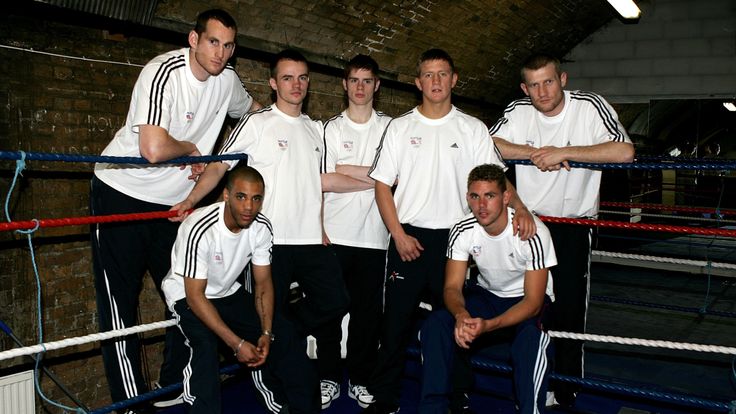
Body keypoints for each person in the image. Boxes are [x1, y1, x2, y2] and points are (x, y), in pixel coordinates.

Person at [90, 9, 261, 410]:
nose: (220, 53)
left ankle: (172, 387)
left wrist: (233, 157)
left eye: (228, 45)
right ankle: (131, 406)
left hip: (173, 205)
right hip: (121, 192)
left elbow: (254, 113)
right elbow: (152, 149)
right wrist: (192, 148)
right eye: (213, 41)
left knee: (185, 291)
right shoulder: (163, 71)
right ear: (194, 40)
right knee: (121, 303)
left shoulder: (228, 81)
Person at [362, 48, 535, 414]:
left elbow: (496, 178)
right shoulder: (400, 126)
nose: (436, 81)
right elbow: (381, 185)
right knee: (395, 322)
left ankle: (457, 393)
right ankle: (386, 394)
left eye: (443, 74)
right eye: (428, 74)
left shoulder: (471, 128)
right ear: (418, 81)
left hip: (455, 241)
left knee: (454, 322)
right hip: (408, 236)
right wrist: (398, 235)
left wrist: (519, 207)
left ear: (454, 80)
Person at [171, 49, 349, 390]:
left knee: (336, 300)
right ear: (273, 83)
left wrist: (322, 225)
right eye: (287, 77)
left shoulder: (315, 130)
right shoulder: (256, 123)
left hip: (311, 239)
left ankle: (285, 332)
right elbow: (221, 164)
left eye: (301, 77)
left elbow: (314, 183)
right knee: (270, 312)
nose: (296, 85)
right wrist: (191, 200)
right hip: (272, 241)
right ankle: (277, 386)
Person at [489, 53, 634, 407]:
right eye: (534, 85)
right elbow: (488, 142)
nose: (542, 91)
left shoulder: (589, 107)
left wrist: (564, 152)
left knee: (568, 309)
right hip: (529, 222)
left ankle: (566, 388)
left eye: (549, 81)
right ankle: (530, 375)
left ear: (563, 79)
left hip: (573, 224)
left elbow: (625, 151)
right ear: (525, 88)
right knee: (528, 305)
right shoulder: (518, 111)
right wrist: (534, 152)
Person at [161, 165, 318, 413]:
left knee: (283, 332)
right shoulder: (199, 227)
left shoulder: (261, 227)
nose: (248, 207)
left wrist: (266, 332)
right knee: (205, 346)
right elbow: (195, 296)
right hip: (187, 294)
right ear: (226, 195)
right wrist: (236, 344)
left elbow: (264, 285)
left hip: (225, 290)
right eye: (241, 197)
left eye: (256, 199)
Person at [419, 164, 556, 414]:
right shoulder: (463, 229)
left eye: (489, 196)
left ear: (505, 197)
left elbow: (533, 302)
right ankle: (432, 409)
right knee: (437, 323)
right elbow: (451, 287)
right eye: (475, 196)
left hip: (524, 300)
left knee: (531, 340)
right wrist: (461, 315)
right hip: (487, 294)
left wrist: (489, 325)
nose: (481, 205)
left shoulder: (533, 233)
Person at [318, 54, 391, 409]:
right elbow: (324, 180)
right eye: (354, 80)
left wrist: (350, 171)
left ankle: (360, 379)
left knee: (367, 316)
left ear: (377, 85)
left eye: (367, 81)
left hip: (375, 237)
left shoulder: (392, 128)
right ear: (344, 84)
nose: (360, 87)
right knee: (330, 312)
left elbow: (399, 178)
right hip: (334, 233)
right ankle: (328, 378)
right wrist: (378, 177)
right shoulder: (331, 128)